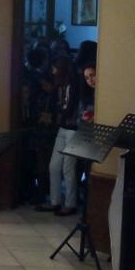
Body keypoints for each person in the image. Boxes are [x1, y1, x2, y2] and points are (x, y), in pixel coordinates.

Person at [36, 55, 79, 216]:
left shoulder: (74, 85)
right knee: (54, 165)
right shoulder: (60, 86)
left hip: (73, 129)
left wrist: (60, 114)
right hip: (63, 128)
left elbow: (71, 107)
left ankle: (70, 203)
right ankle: (55, 201)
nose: (53, 71)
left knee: (68, 168)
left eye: (55, 68)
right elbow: (58, 106)